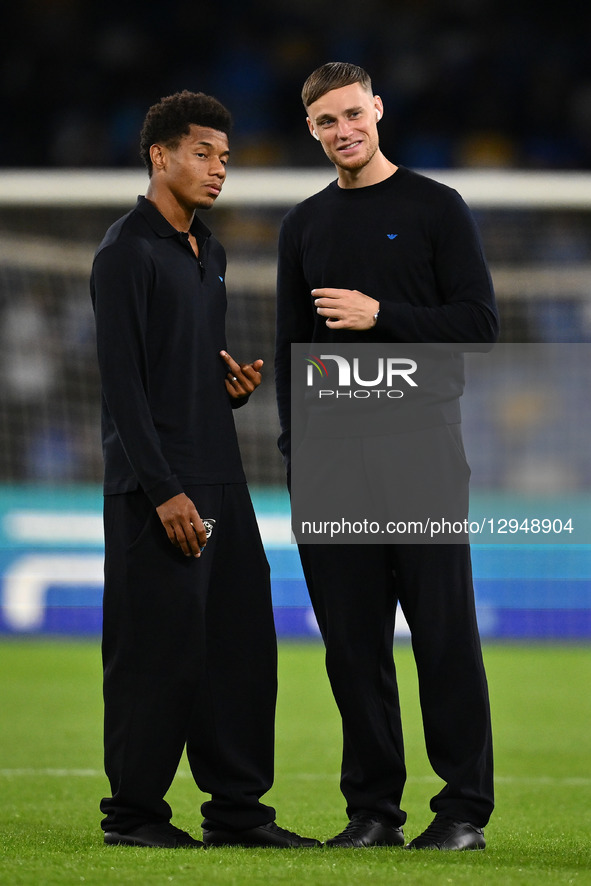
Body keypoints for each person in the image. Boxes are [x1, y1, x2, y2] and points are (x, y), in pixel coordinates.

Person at [275, 63, 498, 850]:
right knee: (353, 646)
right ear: (311, 130)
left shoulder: (437, 208)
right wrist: (297, 462)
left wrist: (381, 316)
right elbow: (290, 348)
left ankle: (462, 811)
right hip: (332, 465)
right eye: (325, 122)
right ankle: (372, 812)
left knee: (443, 635)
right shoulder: (302, 225)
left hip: (421, 454)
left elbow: (478, 324)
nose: (342, 130)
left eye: (351, 114)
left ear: (376, 109)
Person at [90, 90, 320, 850]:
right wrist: (164, 493)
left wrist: (223, 392)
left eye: (225, 157)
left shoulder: (210, 251)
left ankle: (237, 814)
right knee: (154, 654)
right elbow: (122, 388)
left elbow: (175, 373)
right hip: (157, 492)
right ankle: (133, 818)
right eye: (202, 153)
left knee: (240, 650)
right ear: (159, 155)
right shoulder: (125, 252)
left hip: (220, 477)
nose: (219, 170)